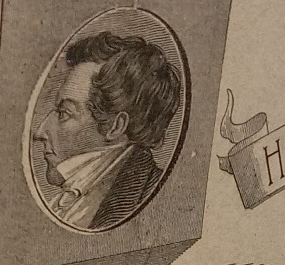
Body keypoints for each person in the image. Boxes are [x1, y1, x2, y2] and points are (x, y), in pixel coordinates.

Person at [31, 31, 183, 229]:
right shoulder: (69, 199)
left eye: (64, 113)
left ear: (115, 126)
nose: (39, 132)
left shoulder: (153, 197)